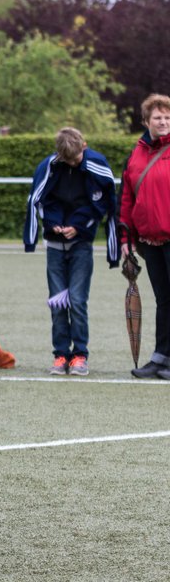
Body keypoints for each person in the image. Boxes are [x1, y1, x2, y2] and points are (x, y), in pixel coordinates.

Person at [25, 127, 118, 376]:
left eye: (76, 158)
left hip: (81, 245)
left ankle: (80, 355)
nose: (72, 162)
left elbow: (104, 203)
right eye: (67, 159)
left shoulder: (97, 164)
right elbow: (39, 199)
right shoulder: (49, 166)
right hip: (55, 245)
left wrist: (78, 227)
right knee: (58, 303)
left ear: (84, 146)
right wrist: (53, 224)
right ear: (59, 154)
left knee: (77, 301)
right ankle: (60, 355)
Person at [121, 93, 170, 380]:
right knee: (164, 301)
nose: (163, 121)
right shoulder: (137, 153)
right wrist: (126, 239)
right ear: (146, 121)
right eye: (157, 117)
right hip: (150, 242)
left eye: (167, 117)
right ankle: (160, 357)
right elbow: (127, 197)